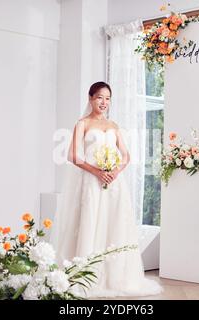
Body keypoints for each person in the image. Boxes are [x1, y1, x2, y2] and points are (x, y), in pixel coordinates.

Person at [50, 81, 162, 298]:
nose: (104, 102)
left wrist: (114, 172)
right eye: (100, 97)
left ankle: (115, 277)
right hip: (91, 181)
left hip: (113, 182)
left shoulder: (113, 126)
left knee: (113, 224)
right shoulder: (82, 124)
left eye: (108, 98)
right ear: (90, 98)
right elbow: (73, 155)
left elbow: (126, 156)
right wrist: (97, 171)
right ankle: (85, 276)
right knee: (91, 221)